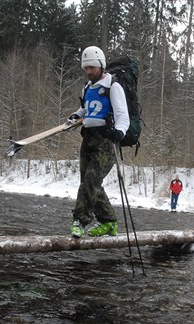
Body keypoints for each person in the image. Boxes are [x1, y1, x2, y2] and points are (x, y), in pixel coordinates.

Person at [68, 46, 130, 238]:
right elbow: (86, 110)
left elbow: (122, 115)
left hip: (106, 141)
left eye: (92, 68)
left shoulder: (114, 86)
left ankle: (80, 220)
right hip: (88, 139)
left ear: (101, 65)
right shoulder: (87, 87)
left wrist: (119, 132)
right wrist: (75, 116)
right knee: (89, 183)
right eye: (86, 68)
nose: (88, 72)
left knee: (91, 181)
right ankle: (109, 222)